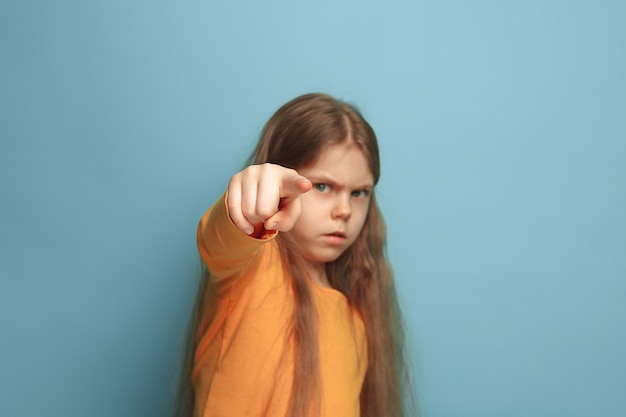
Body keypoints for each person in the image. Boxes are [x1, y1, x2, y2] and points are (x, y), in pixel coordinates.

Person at [174, 93, 415, 417]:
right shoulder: (251, 267)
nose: (343, 210)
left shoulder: (357, 321)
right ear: (283, 182)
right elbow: (220, 239)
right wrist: (249, 202)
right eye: (322, 186)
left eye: (358, 193)